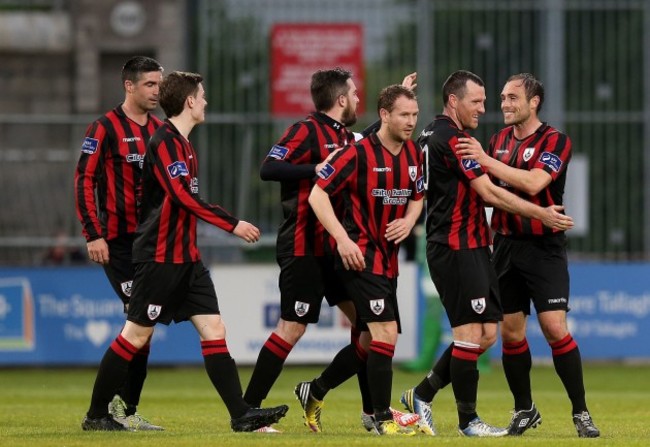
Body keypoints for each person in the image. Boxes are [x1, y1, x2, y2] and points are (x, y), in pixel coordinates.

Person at [81, 71, 289, 432]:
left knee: (213, 327)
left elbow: (184, 200)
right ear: (190, 101)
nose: (206, 101)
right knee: (136, 334)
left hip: (186, 258)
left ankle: (240, 415)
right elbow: (183, 198)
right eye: (203, 96)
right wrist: (232, 224)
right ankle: (97, 414)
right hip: (159, 258)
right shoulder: (165, 142)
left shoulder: (185, 145)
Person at [400, 70, 574, 437]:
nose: (486, 107)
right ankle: (468, 421)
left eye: (490, 99)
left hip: (468, 245)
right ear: (454, 101)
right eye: (476, 101)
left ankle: (422, 393)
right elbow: (491, 194)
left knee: (486, 336)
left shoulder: (430, 132)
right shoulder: (455, 138)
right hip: (457, 244)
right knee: (470, 334)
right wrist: (540, 212)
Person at [244, 68, 418, 432]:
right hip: (304, 245)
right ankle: (248, 411)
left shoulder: (347, 136)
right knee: (291, 328)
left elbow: (373, 140)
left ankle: (372, 413)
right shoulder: (305, 129)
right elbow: (268, 167)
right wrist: (313, 167)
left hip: (339, 249)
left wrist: (399, 95)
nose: (358, 99)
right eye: (354, 94)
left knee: (369, 329)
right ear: (341, 99)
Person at [456, 73, 600, 438]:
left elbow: (535, 182)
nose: (503, 104)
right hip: (505, 246)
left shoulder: (556, 141)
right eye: (502, 97)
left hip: (544, 249)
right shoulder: (497, 140)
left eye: (512, 97)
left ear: (534, 102)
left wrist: (485, 161)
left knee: (554, 328)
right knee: (511, 333)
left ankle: (581, 412)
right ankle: (524, 409)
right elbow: (488, 191)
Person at [296, 84, 424, 436]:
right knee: (385, 335)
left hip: (388, 261)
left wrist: (410, 220)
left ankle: (315, 390)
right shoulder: (355, 153)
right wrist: (341, 239)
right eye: (404, 115)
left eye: (414, 114)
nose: (411, 121)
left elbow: (418, 196)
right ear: (384, 115)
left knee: (369, 342)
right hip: (358, 257)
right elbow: (317, 197)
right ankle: (382, 418)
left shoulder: (414, 154)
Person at [74, 55, 165, 430]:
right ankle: (106, 413)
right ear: (129, 86)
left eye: (159, 84)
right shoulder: (104, 128)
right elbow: (84, 180)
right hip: (118, 243)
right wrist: (93, 234)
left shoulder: (160, 130)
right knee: (139, 319)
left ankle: (124, 411)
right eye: (150, 84)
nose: (157, 91)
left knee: (143, 326)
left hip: (151, 243)